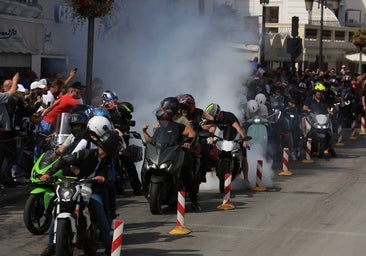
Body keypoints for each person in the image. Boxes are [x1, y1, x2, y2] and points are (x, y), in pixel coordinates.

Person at [39, 130, 122, 256]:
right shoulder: (86, 153)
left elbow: (107, 175)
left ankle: (108, 246)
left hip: (90, 189)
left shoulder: (107, 162)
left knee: (100, 213)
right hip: (71, 186)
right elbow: (65, 160)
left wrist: (101, 177)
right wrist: (48, 173)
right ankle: (51, 245)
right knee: (58, 210)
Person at [141, 97, 201, 211]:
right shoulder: (160, 124)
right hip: (164, 150)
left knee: (186, 173)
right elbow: (152, 140)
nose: (162, 111)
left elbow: (191, 133)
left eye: (165, 109)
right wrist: (145, 132)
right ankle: (146, 187)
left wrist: (187, 142)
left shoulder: (182, 120)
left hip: (179, 150)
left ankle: (194, 201)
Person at [204, 103, 250, 189]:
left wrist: (244, 140)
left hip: (236, 135)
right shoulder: (215, 119)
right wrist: (211, 139)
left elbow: (238, 128)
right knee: (211, 152)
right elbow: (213, 128)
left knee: (244, 156)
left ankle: (246, 179)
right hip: (224, 138)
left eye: (212, 116)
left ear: (217, 113)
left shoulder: (229, 117)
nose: (211, 118)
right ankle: (210, 176)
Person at [176, 94, 213, 183]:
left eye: (185, 107)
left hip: (198, 135)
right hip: (182, 136)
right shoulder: (177, 114)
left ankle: (204, 171)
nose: (183, 110)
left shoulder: (199, 112)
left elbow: (211, 118)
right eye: (181, 107)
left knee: (204, 143)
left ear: (191, 106)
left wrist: (207, 125)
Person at [301, 82, 336, 157]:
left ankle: (331, 147)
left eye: (320, 92)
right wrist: (308, 110)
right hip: (312, 118)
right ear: (315, 92)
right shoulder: (309, 99)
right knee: (303, 119)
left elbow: (328, 109)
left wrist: (330, 112)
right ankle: (304, 136)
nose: (319, 93)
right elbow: (304, 107)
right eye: (318, 91)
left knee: (331, 129)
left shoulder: (324, 100)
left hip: (323, 119)